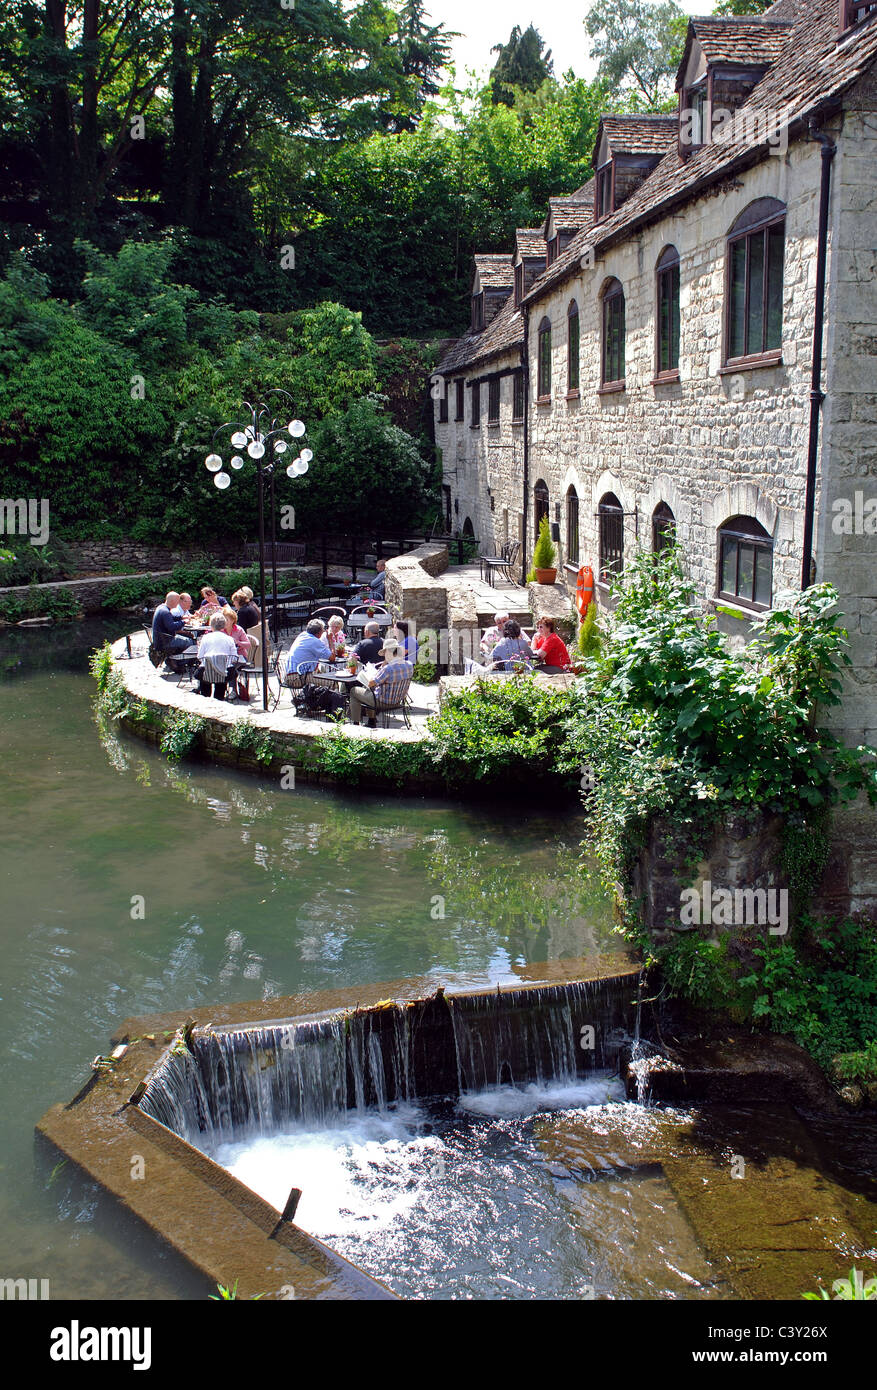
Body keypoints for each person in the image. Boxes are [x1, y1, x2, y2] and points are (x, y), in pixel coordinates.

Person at [349, 637, 413, 728]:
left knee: (354, 691)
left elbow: (371, 683)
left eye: (385, 653)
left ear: (389, 652)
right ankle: (371, 721)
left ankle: (355, 724)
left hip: (382, 702)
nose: (384, 656)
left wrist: (379, 669)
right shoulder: (409, 665)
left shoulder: (388, 669)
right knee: (367, 690)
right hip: (398, 701)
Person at [285, 619, 346, 714]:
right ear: (319, 633)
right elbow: (332, 657)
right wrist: (330, 640)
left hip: (290, 674)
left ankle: (311, 701)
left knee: (322, 674)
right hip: (297, 678)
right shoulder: (314, 641)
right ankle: (331, 710)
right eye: (323, 630)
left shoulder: (302, 635)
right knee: (333, 682)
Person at [197, 612, 237, 700]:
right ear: (224, 625)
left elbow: (200, 656)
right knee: (226, 672)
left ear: (211, 625)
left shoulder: (205, 638)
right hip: (224, 672)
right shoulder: (229, 639)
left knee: (203, 672)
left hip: (207, 672)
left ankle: (205, 698)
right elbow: (234, 657)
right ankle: (219, 698)